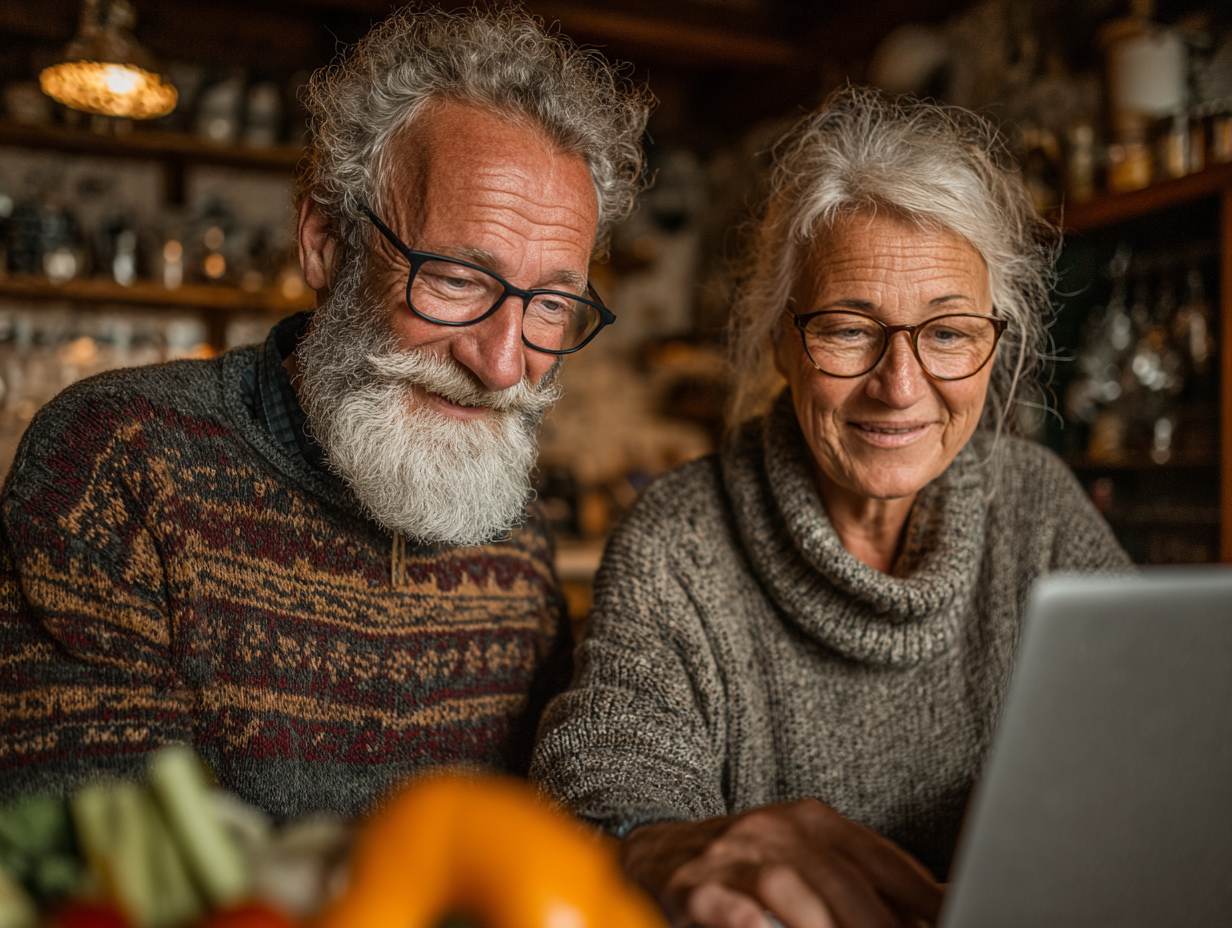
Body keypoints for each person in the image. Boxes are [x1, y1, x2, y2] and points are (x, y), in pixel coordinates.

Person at [0, 7, 650, 819]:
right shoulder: (118, 459)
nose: (503, 364)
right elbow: (96, 866)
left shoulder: (510, 523)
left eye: (551, 303)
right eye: (455, 278)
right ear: (324, 242)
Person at [531, 87, 1131, 928]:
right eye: (850, 329)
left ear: (998, 344)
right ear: (782, 338)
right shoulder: (680, 540)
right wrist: (654, 842)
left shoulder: (1039, 506)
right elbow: (605, 776)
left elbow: (1161, 748)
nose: (900, 385)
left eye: (949, 332)